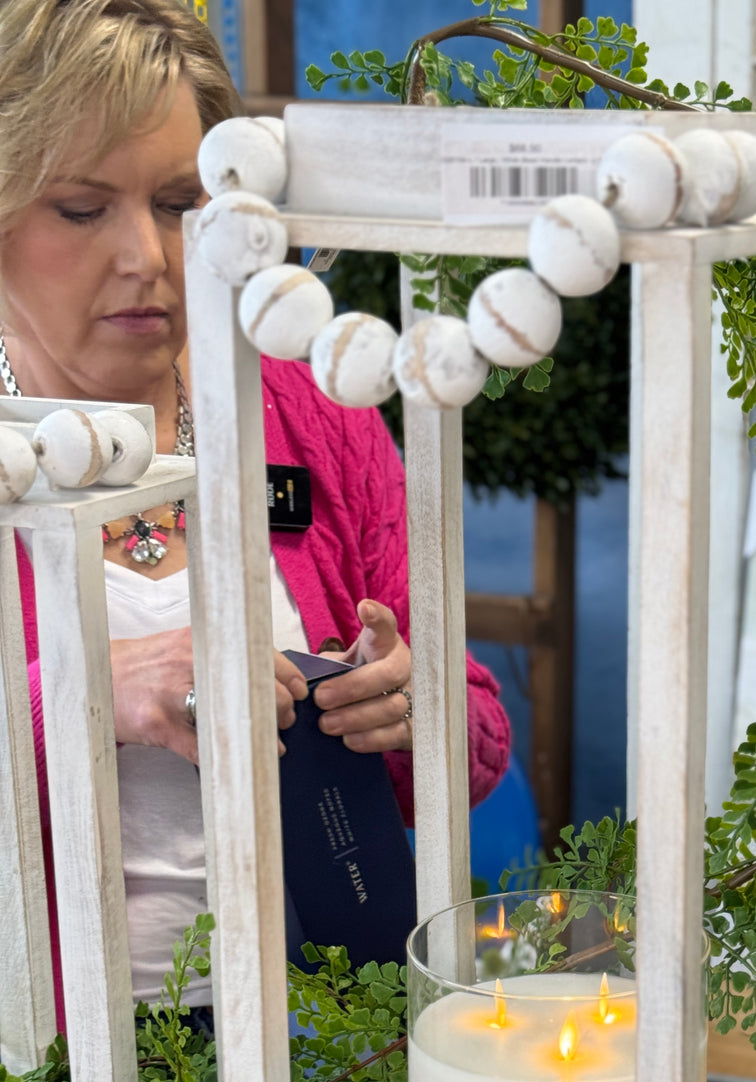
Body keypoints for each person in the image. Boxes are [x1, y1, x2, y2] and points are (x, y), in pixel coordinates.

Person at [2, 0, 511, 1018]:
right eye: (82, 207)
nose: (147, 253)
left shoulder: (303, 403)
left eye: (182, 200)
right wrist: (79, 696)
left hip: (323, 1042)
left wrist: (404, 712)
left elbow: (478, 725)